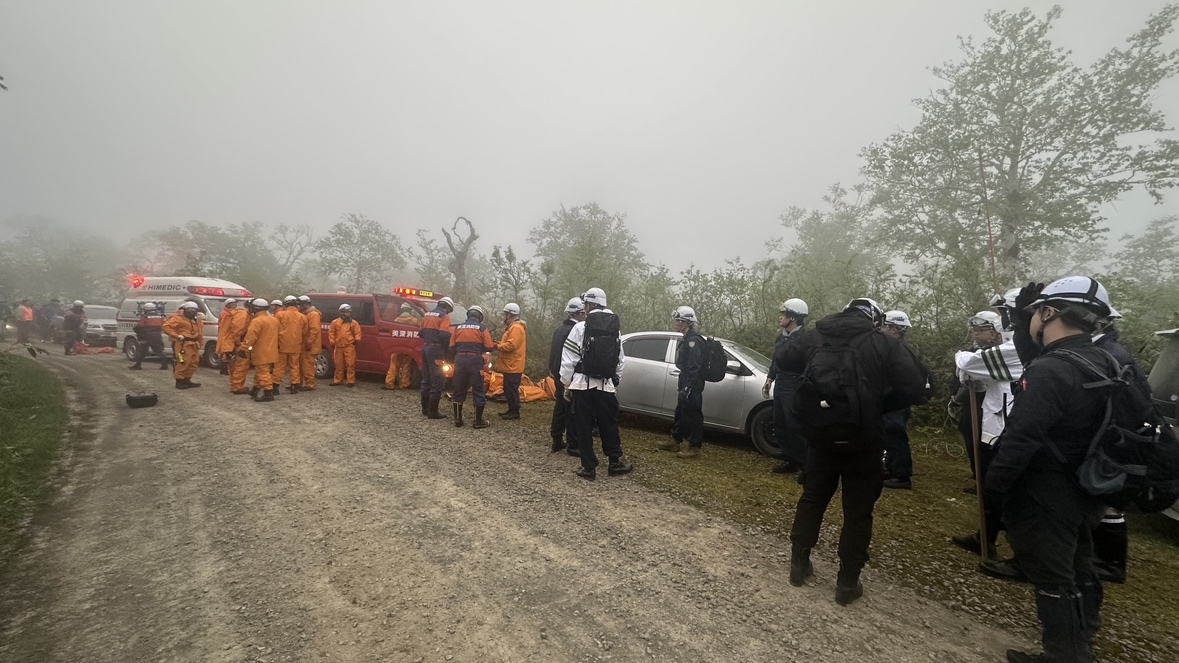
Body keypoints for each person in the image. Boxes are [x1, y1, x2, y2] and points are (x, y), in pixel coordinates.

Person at [988, 277, 1114, 663]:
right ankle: (1081, 644)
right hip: (1088, 485)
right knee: (1079, 568)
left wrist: (995, 487)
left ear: (1048, 313)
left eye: (1033, 313)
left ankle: (1064, 656)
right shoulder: (1102, 359)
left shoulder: (1051, 371)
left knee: (1053, 576)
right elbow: (1036, 360)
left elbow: (1022, 436)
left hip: (1047, 490)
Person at [781, 297, 930, 606]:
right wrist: (879, 405)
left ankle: (799, 566)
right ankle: (847, 584)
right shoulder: (883, 343)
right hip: (864, 439)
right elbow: (917, 389)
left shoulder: (815, 336)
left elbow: (784, 361)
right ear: (874, 319)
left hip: (821, 436)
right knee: (858, 510)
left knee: (812, 498)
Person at [949, 310, 1026, 581]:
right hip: (995, 425)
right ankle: (986, 537)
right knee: (990, 486)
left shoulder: (1015, 350)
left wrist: (962, 357)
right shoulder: (1006, 351)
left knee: (1008, 493)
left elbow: (968, 365)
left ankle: (1024, 557)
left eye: (980, 328)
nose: (974, 332)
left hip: (1007, 429)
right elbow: (973, 377)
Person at [560, 287, 633, 481]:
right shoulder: (614, 328)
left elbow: (568, 359)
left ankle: (588, 467)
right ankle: (615, 462)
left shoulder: (580, 327)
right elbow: (620, 360)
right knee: (608, 424)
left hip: (582, 386)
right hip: (606, 386)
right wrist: (615, 380)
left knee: (583, 426)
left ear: (589, 304)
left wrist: (566, 383)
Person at [766, 298, 809, 475]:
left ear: (793, 318)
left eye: (784, 315)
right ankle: (790, 459)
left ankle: (804, 464)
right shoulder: (781, 337)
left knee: (795, 425)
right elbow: (776, 360)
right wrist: (770, 378)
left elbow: (809, 364)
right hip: (781, 382)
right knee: (780, 423)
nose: (780, 318)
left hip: (794, 384)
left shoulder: (805, 339)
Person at [658, 306, 707, 459]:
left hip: (692, 383)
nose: (676, 323)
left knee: (693, 414)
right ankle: (675, 441)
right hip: (685, 380)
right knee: (681, 412)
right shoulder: (687, 338)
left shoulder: (693, 341)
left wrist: (688, 387)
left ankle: (694, 447)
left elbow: (694, 366)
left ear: (686, 323)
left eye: (678, 320)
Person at [880, 310, 917, 490]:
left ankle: (902, 475)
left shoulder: (898, 350)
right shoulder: (897, 348)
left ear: (894, 329)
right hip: (893, 401)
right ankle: (892, 468)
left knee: (895, 436)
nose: (882, 329)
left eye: (885, 326)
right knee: (889, 436)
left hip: (895, 401)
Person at [549, 297, 586, 453]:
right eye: (584, 313)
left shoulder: (560, 329)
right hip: (568, 376)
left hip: (558, 373)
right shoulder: (575, 330)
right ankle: (573, 444)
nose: (586, 316)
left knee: (560, 407)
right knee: (572, 409)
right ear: (578, 314)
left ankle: (556, 439)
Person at [449, 305, 496, 428]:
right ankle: (478, 421)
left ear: (468, 315)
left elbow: (451, 347)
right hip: (475, 360)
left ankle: (458, 420)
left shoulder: (458, 328)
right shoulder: (482, 329)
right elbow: (489, 347)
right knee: (478, 389)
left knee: (459, 389)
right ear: (479, 317)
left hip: (460, 359)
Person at [418, 297, 455, 418]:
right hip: (436, 350)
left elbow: (421, 333)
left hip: (426, 348)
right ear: (448, 308)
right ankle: (433, 412)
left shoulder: (427, 315)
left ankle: (425, 409)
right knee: (437, 380)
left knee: (426, 379)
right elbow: (444, 334)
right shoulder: (444, 316)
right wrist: (449, 347)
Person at [241, 298, 280, 402]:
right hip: (272, 352)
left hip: (261, 352)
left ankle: (268, 394)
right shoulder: (274, 320)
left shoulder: (257, 321)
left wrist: (243, 349)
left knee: (263, 373)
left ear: (255, 308)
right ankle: (255, 390)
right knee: (261, 372)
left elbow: (250, 337)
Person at [497, 302, 527, 420]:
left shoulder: (516, 328)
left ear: (510, 315)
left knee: (511, 390)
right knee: (508, 388)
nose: (504, 316)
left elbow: (510, 346)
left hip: (513, 365)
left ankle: (515, 412)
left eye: (505, 314)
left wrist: (497, 346)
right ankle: (511, 409)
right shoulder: (513, 327)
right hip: (511, 365)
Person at [162, 301, 203, 389]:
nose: (192, 311)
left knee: (193, 363)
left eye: (194, 309)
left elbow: (199, 332)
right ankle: (179, 381)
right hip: (183, 344)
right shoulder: (178, 319)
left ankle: (187, 380)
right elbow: (166, 326)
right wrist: (176, 336)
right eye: (189, 309)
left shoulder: (197, 320)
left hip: (194, 344)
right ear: (185, 310)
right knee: (183, 362)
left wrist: (200, 342)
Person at [275, 295, 308, 394]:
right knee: (295, 366)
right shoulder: (302, 317)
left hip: (282, 345)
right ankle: (294, 387)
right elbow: (305, 332)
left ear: (286, 304)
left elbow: (275, 329)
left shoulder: (280, 315)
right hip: (296, 346)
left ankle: (275, 387)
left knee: (280, 366)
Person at [384, 303, 421, 390]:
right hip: (409, 347)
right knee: (406, 366)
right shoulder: (415, 321)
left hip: (397, 347)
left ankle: (389, 384)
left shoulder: (396, 320)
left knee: (394, 365)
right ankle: (404, 384)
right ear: (409, 311)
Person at [328, 303, 362, 387]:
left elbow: (358, 332)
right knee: (338, 364)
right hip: (338, 346)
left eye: (349, 312)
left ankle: (350, 381)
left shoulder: (353, 323)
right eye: (347, 312)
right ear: (342, 312)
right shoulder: (335, 322)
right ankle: (338, 380)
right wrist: (332, 341)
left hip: (349, 346)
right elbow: (331, 332)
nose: (348, 314)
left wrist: (357, 340)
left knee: (350, 364)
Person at [129, 302, 169, 370]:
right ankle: (164, 365)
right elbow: (163, 326)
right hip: (157, 336)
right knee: (159, 351)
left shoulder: (145, 317)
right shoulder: (160, 317)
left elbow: (139, 327)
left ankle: (138, 365)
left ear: (145, 309)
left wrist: (140, 337)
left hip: (146, 336)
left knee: (142, 351)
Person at [229, 301, 258, 395]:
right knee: (241, 365)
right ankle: (237, 387)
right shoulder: (243, 314)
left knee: (237, 365)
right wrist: (240, 343)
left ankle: (235, 385)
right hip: (240, 345)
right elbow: (237, 330)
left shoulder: (244, 314)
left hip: (239, 344)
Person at [216, 299, 248, 377]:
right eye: (232, 304)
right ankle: (224, 369)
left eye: (235, 304)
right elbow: (230, 326)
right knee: (226, 352)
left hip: (226, 335)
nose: (234, 305)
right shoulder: (226, 313)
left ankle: (225, 369)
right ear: (228, 305)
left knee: (227, 352)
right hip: (226, 335)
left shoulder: (234, 313)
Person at [298, 296, 322, 391]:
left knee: (308, 365)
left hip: (310, 346)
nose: (299, 306)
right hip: (305, 345)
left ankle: (310, 384)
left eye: (301, 304)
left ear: (306, 304)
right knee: (302, 365)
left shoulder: (313, 315)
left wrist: (309, 342)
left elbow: (314, 330)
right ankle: (299, 383)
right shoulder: (307, 314)